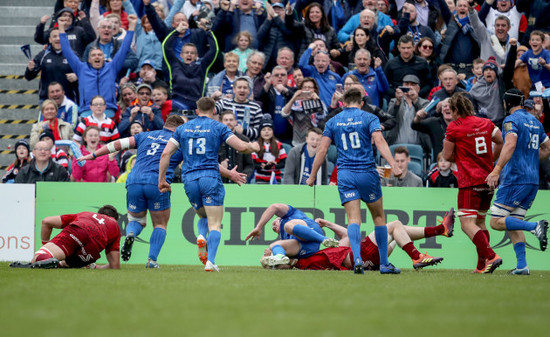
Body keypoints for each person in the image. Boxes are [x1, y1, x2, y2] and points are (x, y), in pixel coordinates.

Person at [306, 87, 403, 274]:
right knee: (378, 217)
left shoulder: (333, 121)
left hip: (345, 174)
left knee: (353, 219)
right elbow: (380, 141)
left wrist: (312, 176)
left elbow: (322, 150)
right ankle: (383, 264)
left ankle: (357, 259)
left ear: (342, 103)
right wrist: (394, 165)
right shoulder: (369, 118)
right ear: (361, 102)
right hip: (367, 172)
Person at [158, 97, 260, 272]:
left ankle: (200, 235)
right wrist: (254, 146)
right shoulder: (218, 127)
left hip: (189, 180)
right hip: (210, 178)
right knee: (215, 223)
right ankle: (210, 261)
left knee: (203, 216)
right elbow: (241, 147)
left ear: (197, 111)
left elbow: (165, 154)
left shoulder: (182, 129)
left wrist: (161, 180)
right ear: (214, 111)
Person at [79, 115, 186, 268]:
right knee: (160, 224)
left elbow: (117, 144)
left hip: (134, 180)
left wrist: (94, 155)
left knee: (136, 221)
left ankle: (131, 234)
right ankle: (152, 260)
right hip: (157, 182)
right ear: (179, 128)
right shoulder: (180, 141)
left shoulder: (145, 135)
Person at [486, 89, 550, 275]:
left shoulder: (511, 120)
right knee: (513, 221)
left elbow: (510, 143)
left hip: (515, 179)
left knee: (496, 222)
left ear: (507, 103)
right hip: (532, 180)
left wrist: (497, 170)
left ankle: (535, 226)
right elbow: (547, 148)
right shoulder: (535, 122)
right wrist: (530, 158)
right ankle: (522, 266)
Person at [262, 212, 454, 270]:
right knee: (394, 225)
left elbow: (347, 237)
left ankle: (441, 230)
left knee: (398, 232)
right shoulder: (303, 257)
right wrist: (271, 256)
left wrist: (329, 223)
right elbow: (281, 261)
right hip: (358, 256)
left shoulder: (316, 255)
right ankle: (417, 256)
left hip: (364, 260)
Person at [442, 93, 504, 274]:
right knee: (480, 222)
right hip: (488, 179)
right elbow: (500, 140)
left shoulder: (454, 127)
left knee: (467, 224)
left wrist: (462, 158)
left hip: (470, 181)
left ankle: (492, 256)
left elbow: (446, 156)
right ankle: (482, 265)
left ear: (455, 110)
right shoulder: (485, 123)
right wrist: (490, 159)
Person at [59, 13, 136, 118]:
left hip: (108, 110)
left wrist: (131, 26)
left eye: (99, 55)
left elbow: (124, 48)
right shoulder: (81, 68)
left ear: (103, 58)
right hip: (87, 110)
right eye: (93, 55)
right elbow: (67, 50)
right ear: (89, 59)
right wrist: (61, 28)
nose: (97, 57)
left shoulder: (112, 67)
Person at [11, 205, 121, 269]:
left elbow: (46, 221)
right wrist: (97, 267)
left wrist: (47, 245)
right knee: (65, 263)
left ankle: (46, 258)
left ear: (99, 213)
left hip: (79, 230)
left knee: (41, 256)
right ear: (114, 219)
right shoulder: (115, 226)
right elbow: (115, 265)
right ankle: (59, 262)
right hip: (92, 249)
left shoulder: (87, 214)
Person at [245, 203, 340, 265]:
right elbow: (286, 266)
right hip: (308, 248)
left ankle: (324, 239)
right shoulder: (284, 240)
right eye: (273, 229)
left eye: (274, 224)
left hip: (312, 230)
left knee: (287, 226)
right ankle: (279, 257)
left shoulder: (290, 215)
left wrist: (259, 227)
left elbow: (274, 207)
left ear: (279, 218)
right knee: (273, 246)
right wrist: (268, 257)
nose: (274, 227)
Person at [162, 21, 218, 111]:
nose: (189, 55)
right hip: (177, 106)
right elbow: (166, 47)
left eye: (192, 53)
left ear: (196, 56)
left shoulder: (202, 67)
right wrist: (177, 31)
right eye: (186, 52)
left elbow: (213, 50)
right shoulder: (175, 64)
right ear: (181, 55)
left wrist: (208, 31)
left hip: (196, 107)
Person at [25, 27, 78, 103]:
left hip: (68, 100)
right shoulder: (42, 55)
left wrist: (77, 76)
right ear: (50, 40)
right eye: (55, 36)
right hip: (47, 100)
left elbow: (83, 74)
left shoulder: (73, 55)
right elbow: (28, 77)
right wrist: (29, 69)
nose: (58, 39)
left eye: (60, 36)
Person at [215, 76, 264, 141]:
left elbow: (259, 132)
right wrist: (213, 98)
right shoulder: (224, 103)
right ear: (234, 89)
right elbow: (211, 111)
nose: (242, 90)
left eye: (245, 88)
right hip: (225, 144)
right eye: (239, 87)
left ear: (249, 90)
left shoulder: (256, 108)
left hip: (247, 145)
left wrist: (243, 131)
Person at [282, 77, 328, 146]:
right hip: (297, 142)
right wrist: (294, 97)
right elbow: (284, 113)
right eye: (304, 87)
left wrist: (317, 99)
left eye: (310, 87)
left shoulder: (320, 103)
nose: (307, 89)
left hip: (314, 143)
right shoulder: (295, 103)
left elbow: (322, 115)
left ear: (314, 89)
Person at [298, 42, 343, 107]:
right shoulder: (310, 71)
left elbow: (340, 95)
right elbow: (301, 65)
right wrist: (309, 49)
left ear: (328, 62)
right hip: (316, 111)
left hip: (333, 111)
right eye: (318, 61)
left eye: (323, 61)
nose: (320, 63)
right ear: (314, 62)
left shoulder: (336, 77)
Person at [218, 110, 255, 183]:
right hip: (220, 182)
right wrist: (220, 168)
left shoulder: (244, 140)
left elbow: (249, 165)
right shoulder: (215, 140)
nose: (228, 122)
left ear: (236, 122)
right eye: (226, 120)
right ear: (221, 122)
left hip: (239, 183)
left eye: (231, 120)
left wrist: (244, 176)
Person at [251, 116, 287, 184]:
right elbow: (253, 163)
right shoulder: (256, 145)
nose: (266, 132)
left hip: (275, 178)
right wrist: (262, 165)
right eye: (264, 130)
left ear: (273, 131)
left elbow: (284, 163)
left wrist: (273, 166)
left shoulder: (278, 144)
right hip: (260, 178)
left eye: (269, 129)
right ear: (260, 132)